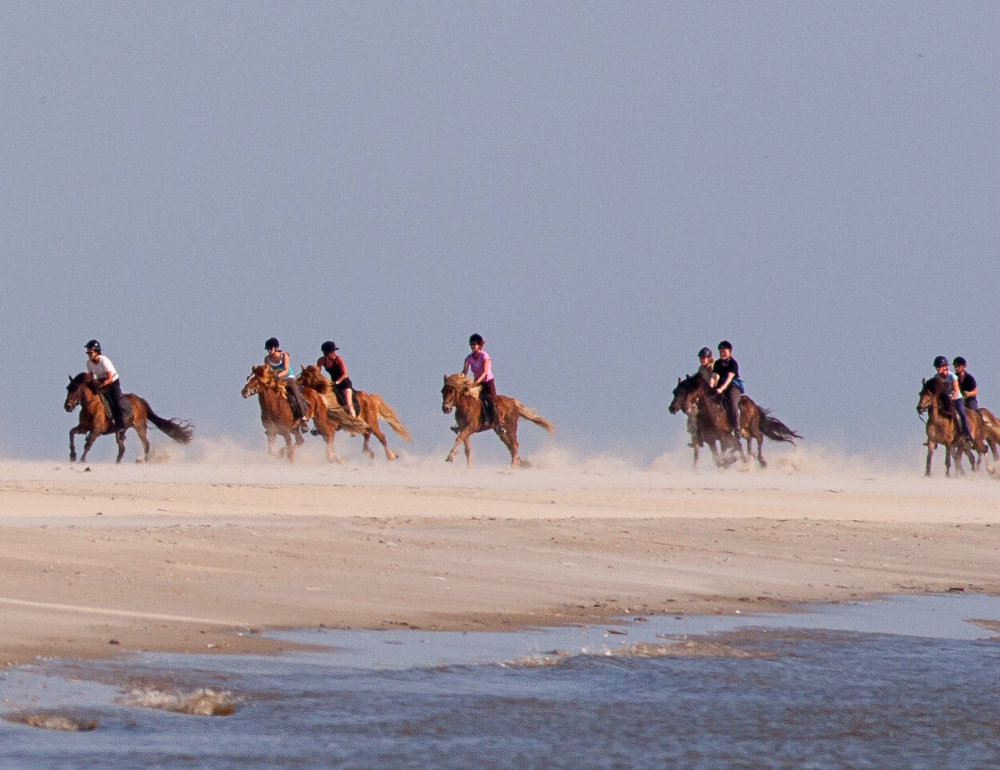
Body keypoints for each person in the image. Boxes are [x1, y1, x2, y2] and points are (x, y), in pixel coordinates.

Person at [265, 338, 310, 431]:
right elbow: (267, 371)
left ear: (276, 348)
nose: (269, 351)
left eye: (271, 349)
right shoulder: (267, 359)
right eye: (268, 349)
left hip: (288, 378)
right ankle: (270, 423)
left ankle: (303, 420)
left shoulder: (284, 355)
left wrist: (276, 376)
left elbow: (285, 370)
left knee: (295, 394)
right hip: (276, 381)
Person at [84, 340, 128, 435]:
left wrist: (101, 384)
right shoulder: (89, 363)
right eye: (87, 353)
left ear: (97, 352)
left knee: (116, 402)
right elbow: (90, 377)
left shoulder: (103, 360)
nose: (89, 355)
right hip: (100, 381)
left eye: (90, 352)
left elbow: (109, 378)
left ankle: (122, 426)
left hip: (112, 382)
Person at [462, 333, 503, 432]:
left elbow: (485, 372)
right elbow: (464, 371)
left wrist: (476, 381)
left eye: (475, 344)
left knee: (492, 401)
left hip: (487, 382)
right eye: (471, 344)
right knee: (466, 398)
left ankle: (498, 424)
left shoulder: (484, 356)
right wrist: (460, 379)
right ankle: (462, 422)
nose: (473, 346)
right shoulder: (468, 358)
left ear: (479, 345)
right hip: (477, 383)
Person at [934, 355, 972, 440]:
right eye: (937, 367)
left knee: (962, 414)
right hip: (944, 400)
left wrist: (951, 399)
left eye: (939, 366)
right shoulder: (936, 377)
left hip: (956, 399)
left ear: (945, 367)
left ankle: (967, 435)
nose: (938, 368)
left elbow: (956, 390)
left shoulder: (951, 376)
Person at [318, 341, 356, 419]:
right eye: (332, 351)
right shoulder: (321, 361)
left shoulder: (338, 359)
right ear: (326, 353)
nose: (334, 353)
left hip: (344, 383)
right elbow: (317, 373)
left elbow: (345, 374)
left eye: (334, 351)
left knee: (348, 403)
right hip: (333, 384)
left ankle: (354, 420)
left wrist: (337, 382)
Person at [711, 340, 741, 438]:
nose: (722, 353)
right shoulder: (717, 363)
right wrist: (711, 387)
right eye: (720, 351)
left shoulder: (733, 363)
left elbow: (729, 378)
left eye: (724, 351)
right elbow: (714, 375)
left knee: (733, 403)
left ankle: (736, 428)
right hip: (720, 385)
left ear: (729, 352)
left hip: (732, 385)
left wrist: (721, 389)